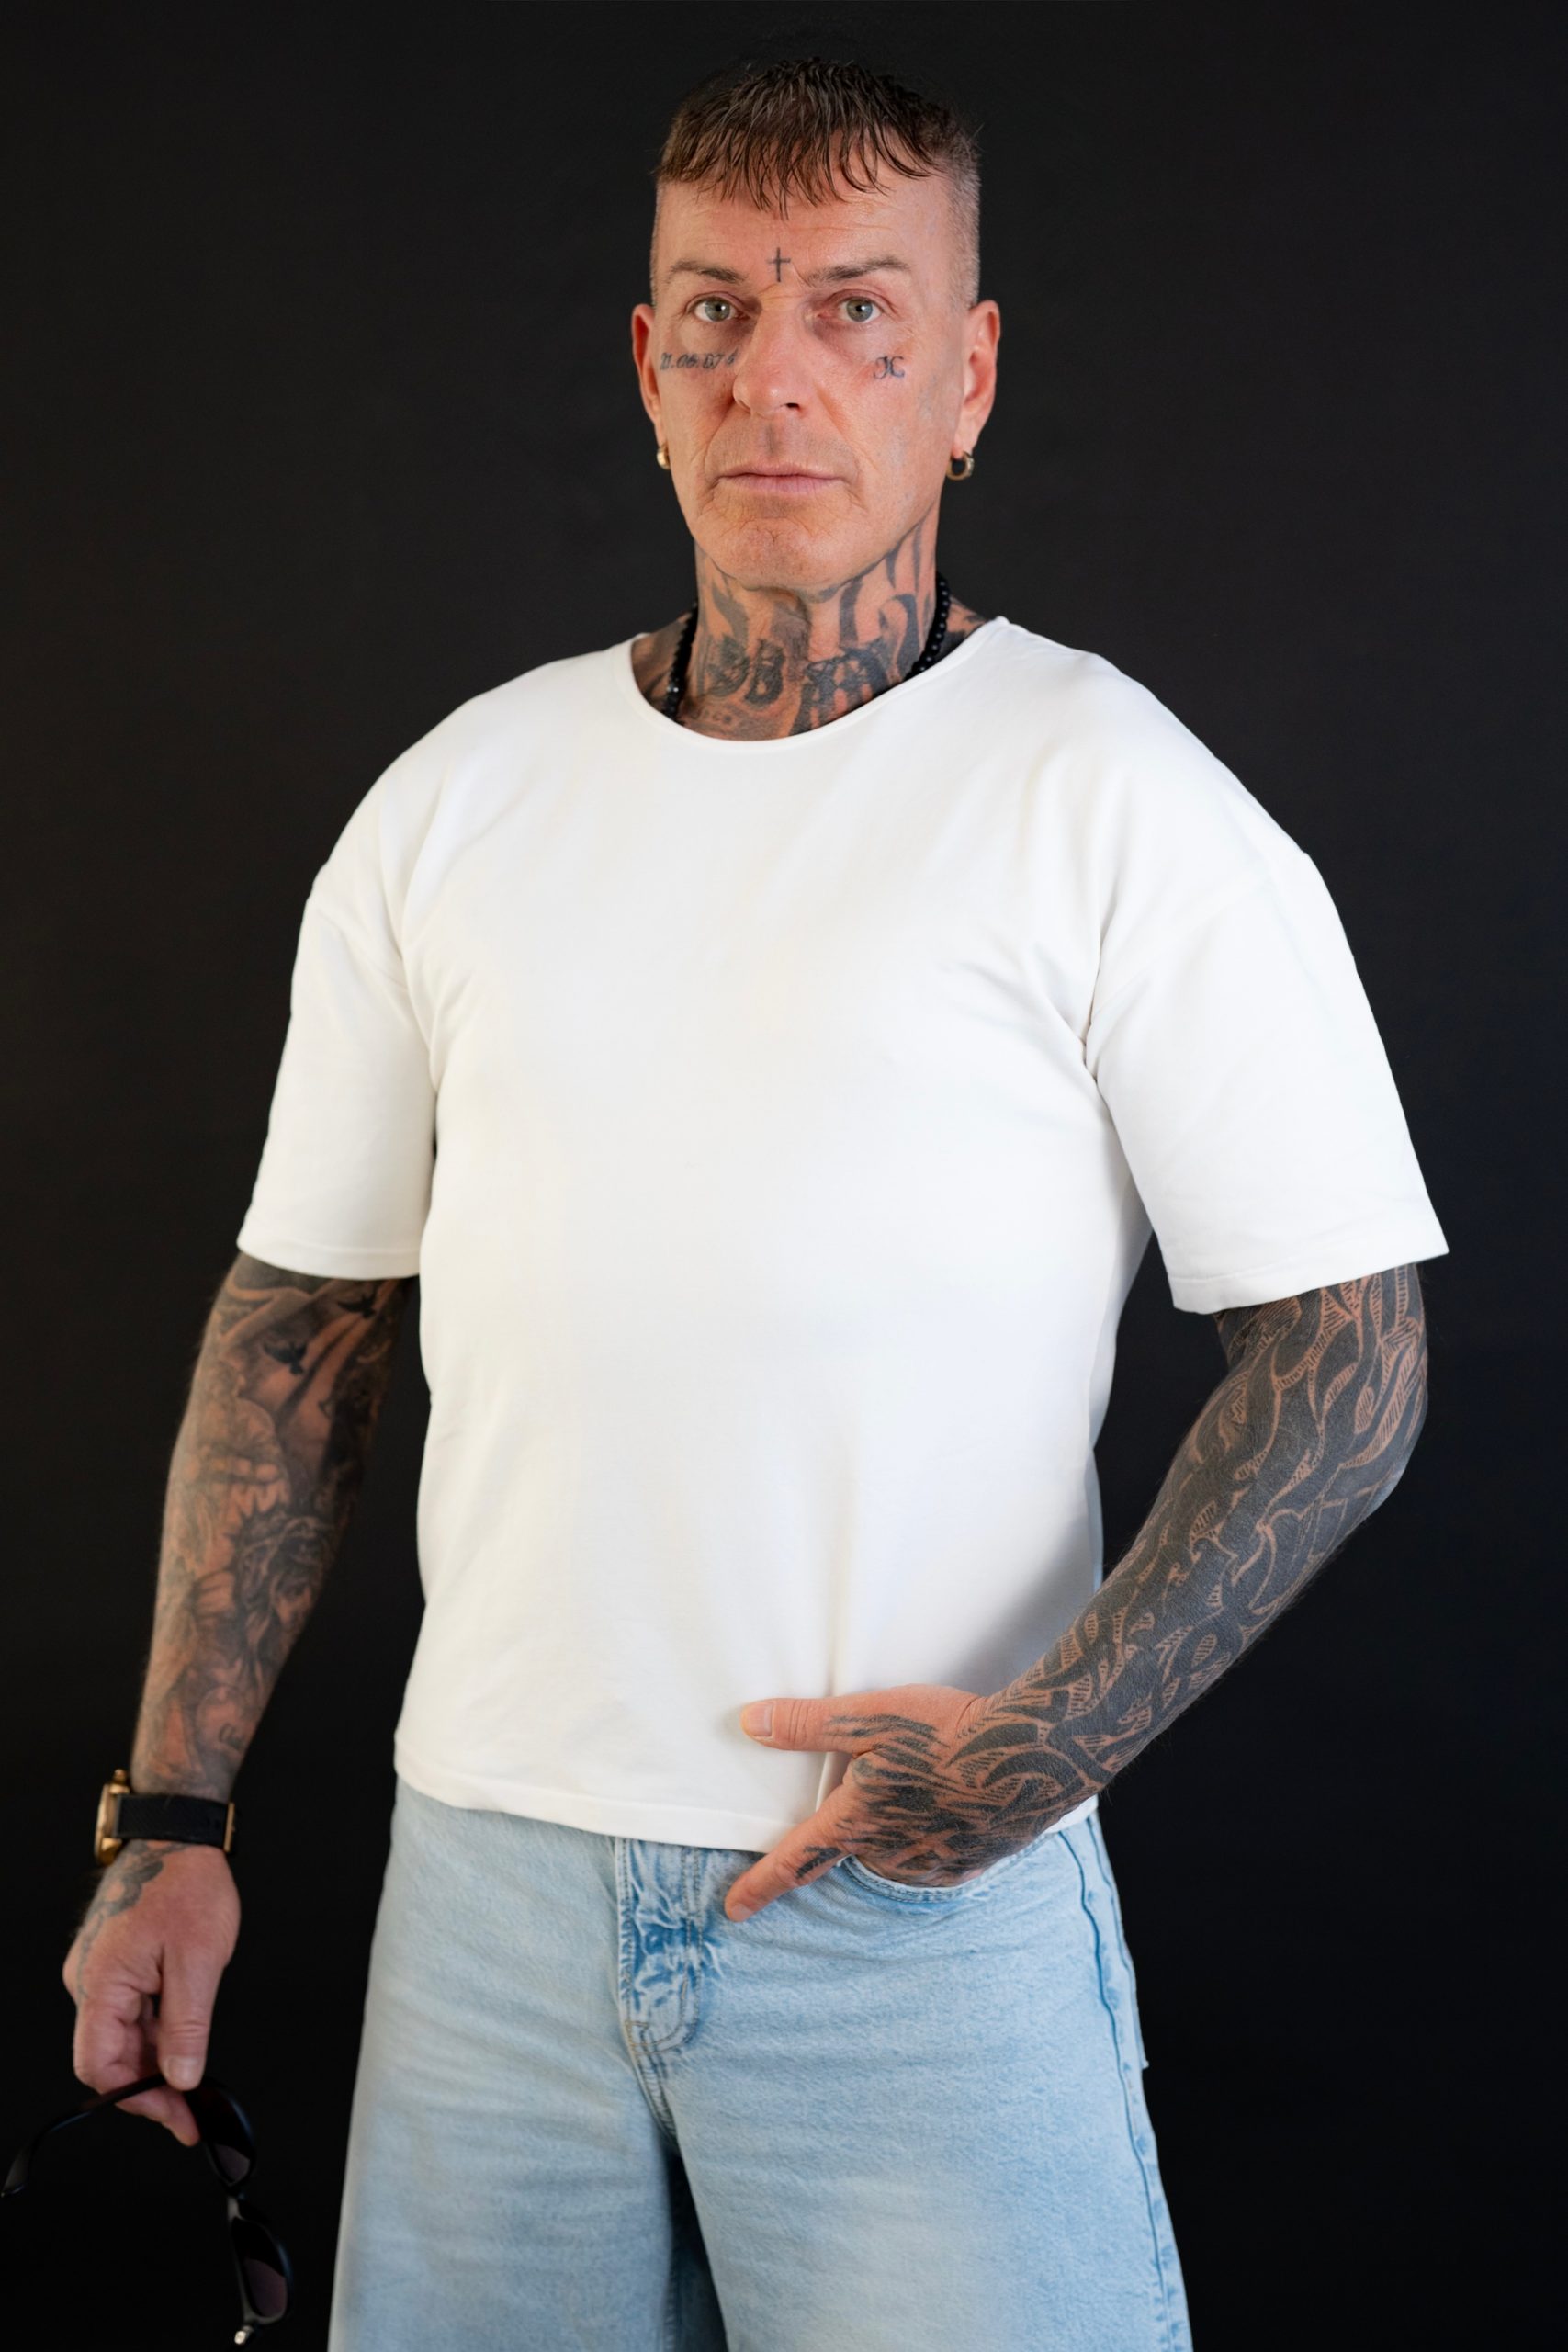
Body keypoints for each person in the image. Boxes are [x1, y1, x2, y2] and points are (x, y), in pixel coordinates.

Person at [60, 55, 1449, 2352]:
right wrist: (172, 1823)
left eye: (853, 312)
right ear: (645, 364)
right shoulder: (458, 801)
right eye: (714, 311)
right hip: (486, 1898)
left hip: (910, 1904)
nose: (773, 374)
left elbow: (1350, 1353)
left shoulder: (1111, 797)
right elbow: (297, 1326)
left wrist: (1042, 1747)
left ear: (965, 378)